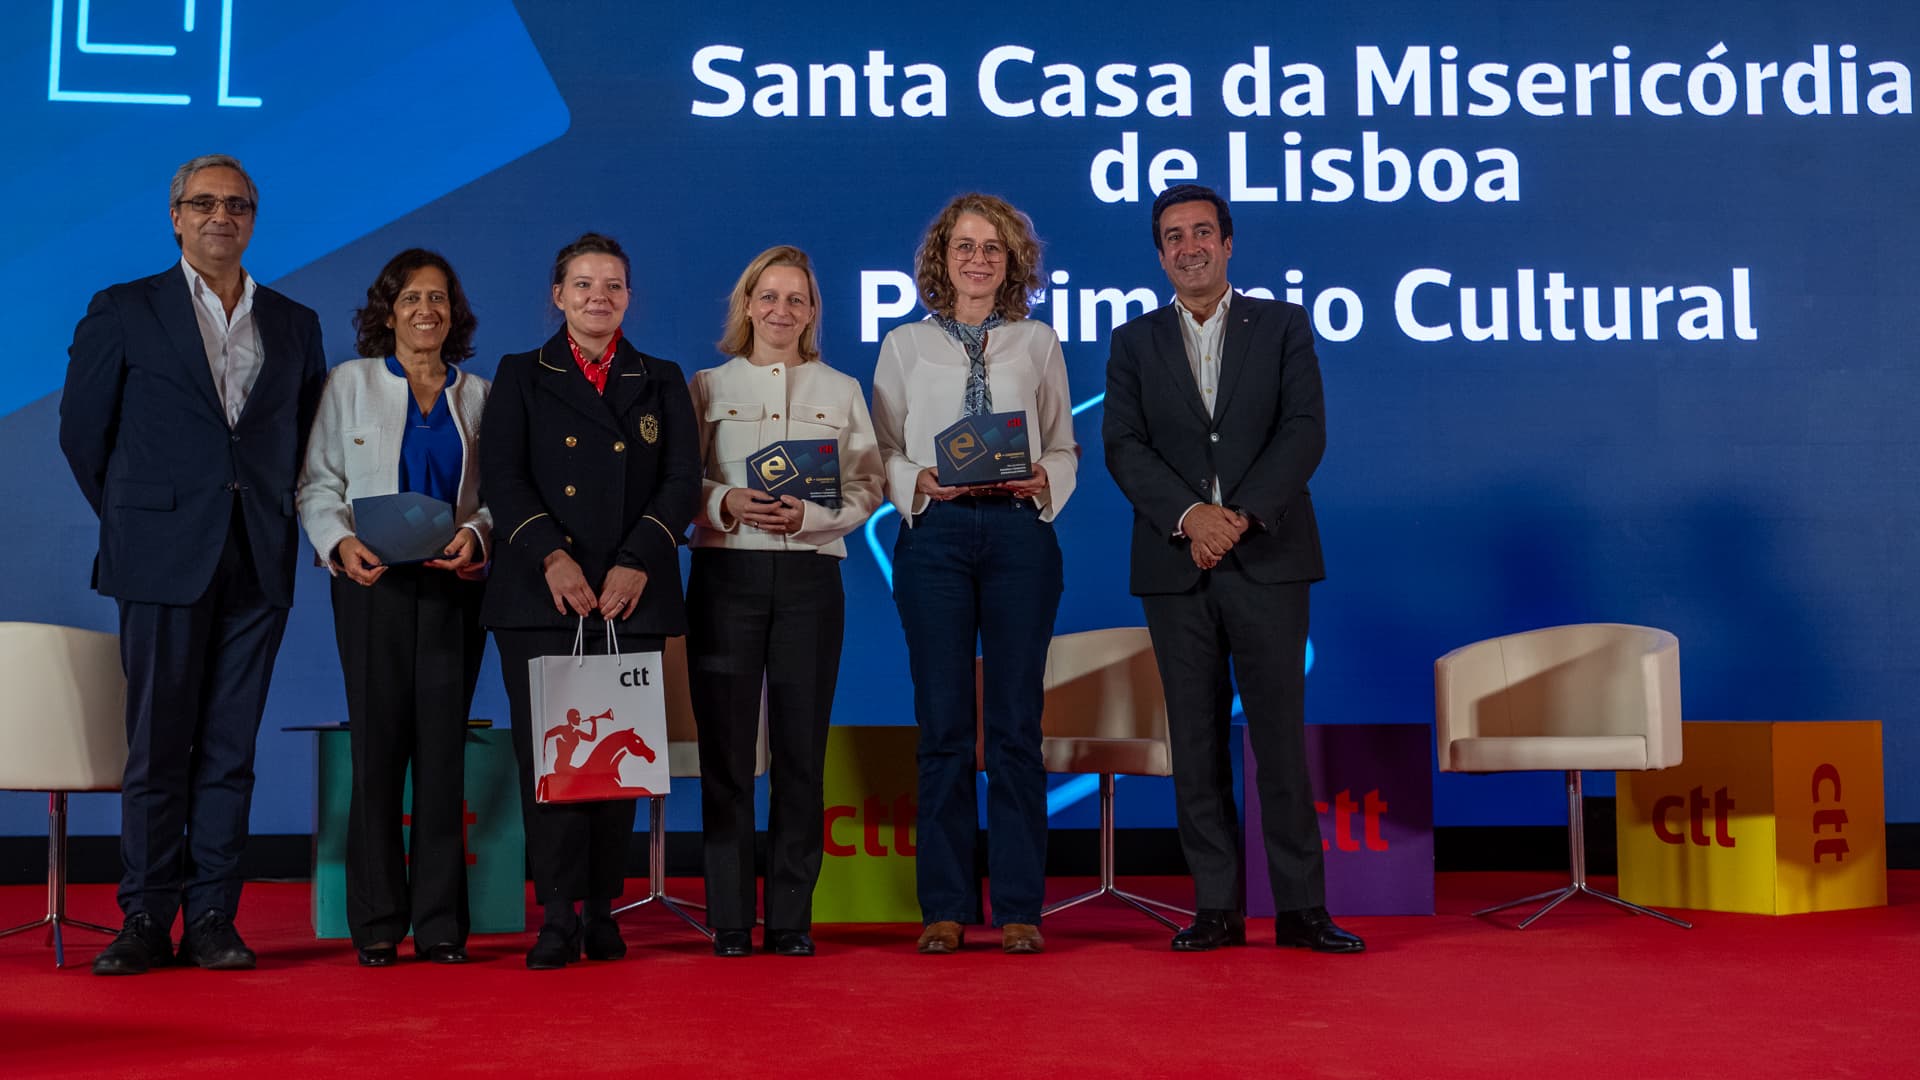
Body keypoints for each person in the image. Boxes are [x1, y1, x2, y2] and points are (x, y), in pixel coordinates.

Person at [59, 154, 327, 975]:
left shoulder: (292, 321)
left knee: (228, 749)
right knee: (157, 746)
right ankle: (144, 916)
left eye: (238, 204)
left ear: (254, 219)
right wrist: (147, 520)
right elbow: (83, 434)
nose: (222, 216)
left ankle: (213, 914)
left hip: (257, 557)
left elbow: (303, 440)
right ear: (175, 215)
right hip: (160, 558)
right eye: (204, 203)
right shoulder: (124, 309)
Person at [1103, 183, 1363, 954]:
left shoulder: (1282, 325)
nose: (1190, 247)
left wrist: (1239, 517)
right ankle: (1214, 907)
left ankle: (1301, 911)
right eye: (1174, 237)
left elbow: (1304, 430)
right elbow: (1124, 446)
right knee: (1196, 742)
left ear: (1228, 243)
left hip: (1269, 560)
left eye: (1203, 233)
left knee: (1280, 742)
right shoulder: (1133, 341)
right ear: (1160, 254)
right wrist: (1192, 519)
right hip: (1176, 566)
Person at [479, 232, 700, 970]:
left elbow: (679, 484)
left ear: (629, 297)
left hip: (628, 597)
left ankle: (603, 908)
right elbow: (502, 481)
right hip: (543, 595)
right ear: (557, 293)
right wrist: (553, 555)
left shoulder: (661, 379)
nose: (597, 296)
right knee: (551, 768)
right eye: (582, 284)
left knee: (616, 767)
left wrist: (636, 562)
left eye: (612, 284)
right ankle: (557, 915)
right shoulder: (519, 374)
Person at [872, 194, 1078, 955]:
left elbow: (1063, 445)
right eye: (965, 246)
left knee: (1017, 726)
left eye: (993, 248)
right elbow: (882, 449)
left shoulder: (1037, 341)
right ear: (942, 258)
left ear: (1012, 261)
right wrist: (921, 481)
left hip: (1020, 535)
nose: (979, 259)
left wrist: (1042, 481)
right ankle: (947, 907)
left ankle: (1021, 905)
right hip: (936, 536)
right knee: (945, 726)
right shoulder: (904, 345)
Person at [687, 245, 884, 958]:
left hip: (809, 582)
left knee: (802, 752)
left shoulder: (842, 388)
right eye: (767, 297)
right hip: (725, 577)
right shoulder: (707, 385)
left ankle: (793, 918)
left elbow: (868, 486)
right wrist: (725, 501)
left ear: (812, 311)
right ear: (746, 305)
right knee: (729, 755)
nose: (780, 311)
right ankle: (731, 918)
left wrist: (814, 519)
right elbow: (681, 483)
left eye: (795, 300)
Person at [296, 249, 491, 966]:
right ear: (388, 311)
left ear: (454, 314)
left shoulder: (481, 395)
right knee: (377, 753)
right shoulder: (348, 385)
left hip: (451, 590)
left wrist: (476, 536)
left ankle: (440, 925)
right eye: (411, 298)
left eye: (438, 299)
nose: (425, 311)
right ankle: (377, 922)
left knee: (442, 758)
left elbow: (499, 497)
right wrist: (339, 546)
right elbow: (317, 485)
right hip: (371, 585)